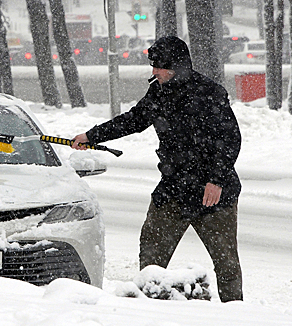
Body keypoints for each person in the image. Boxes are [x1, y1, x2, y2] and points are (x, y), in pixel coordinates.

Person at [72, 36, 243, 302]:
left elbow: (230, 139)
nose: (154, 72)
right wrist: (92, 136)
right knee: (151, 256)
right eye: (153, 65)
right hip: (174, 189)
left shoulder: (209, 93)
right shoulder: (159, 92)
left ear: (178, 66)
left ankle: (237, 314)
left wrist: (216, 180)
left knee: (227, 264)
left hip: (214, 193)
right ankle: (151, 310)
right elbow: (133, 120)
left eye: (160, 66)